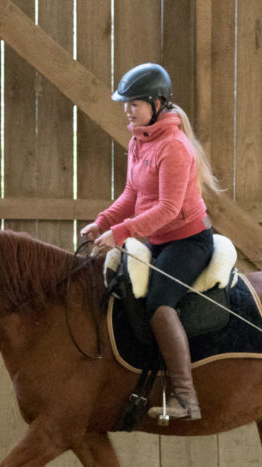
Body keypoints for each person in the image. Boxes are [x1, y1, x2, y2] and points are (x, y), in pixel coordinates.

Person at [80, 62, 223, 422]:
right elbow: (131, 194)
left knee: (160, 303)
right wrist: (102, 223)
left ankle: (185, 397)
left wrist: (121, 232)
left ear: (158, 103)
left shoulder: (174, 147)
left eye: (135, 103)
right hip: (158, 240)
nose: (128, 110)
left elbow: (169, 209)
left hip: (189, 242)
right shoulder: (139, 140)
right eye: (125, 103)